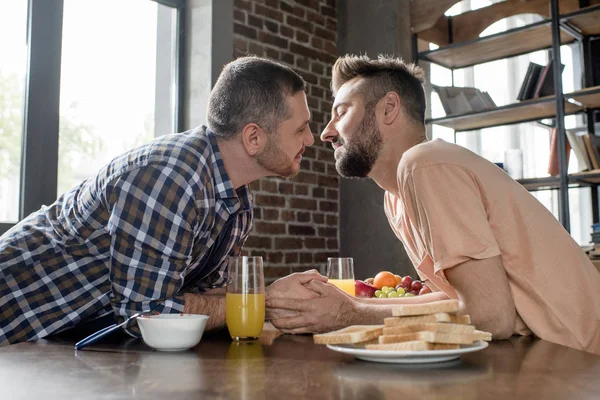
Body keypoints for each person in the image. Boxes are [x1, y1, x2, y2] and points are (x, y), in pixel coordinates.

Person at [265, 54, 600, 354]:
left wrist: (349, 314)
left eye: (341, 112)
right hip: (542, 355)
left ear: (389, 108)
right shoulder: (395, 198)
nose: (326, 132)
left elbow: (491, 317)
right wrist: (348, 303)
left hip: (580, 363)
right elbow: (459, 300)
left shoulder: (425, 164)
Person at [0, 56, 316, 346]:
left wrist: (266, 298)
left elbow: (205, 296)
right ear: (253, 138)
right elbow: (145, 316)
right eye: (301, 128)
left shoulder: (238, 198)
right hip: (16, 324)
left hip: (64, 343)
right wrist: (267, 300)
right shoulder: (171, 178)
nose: (310, 139)